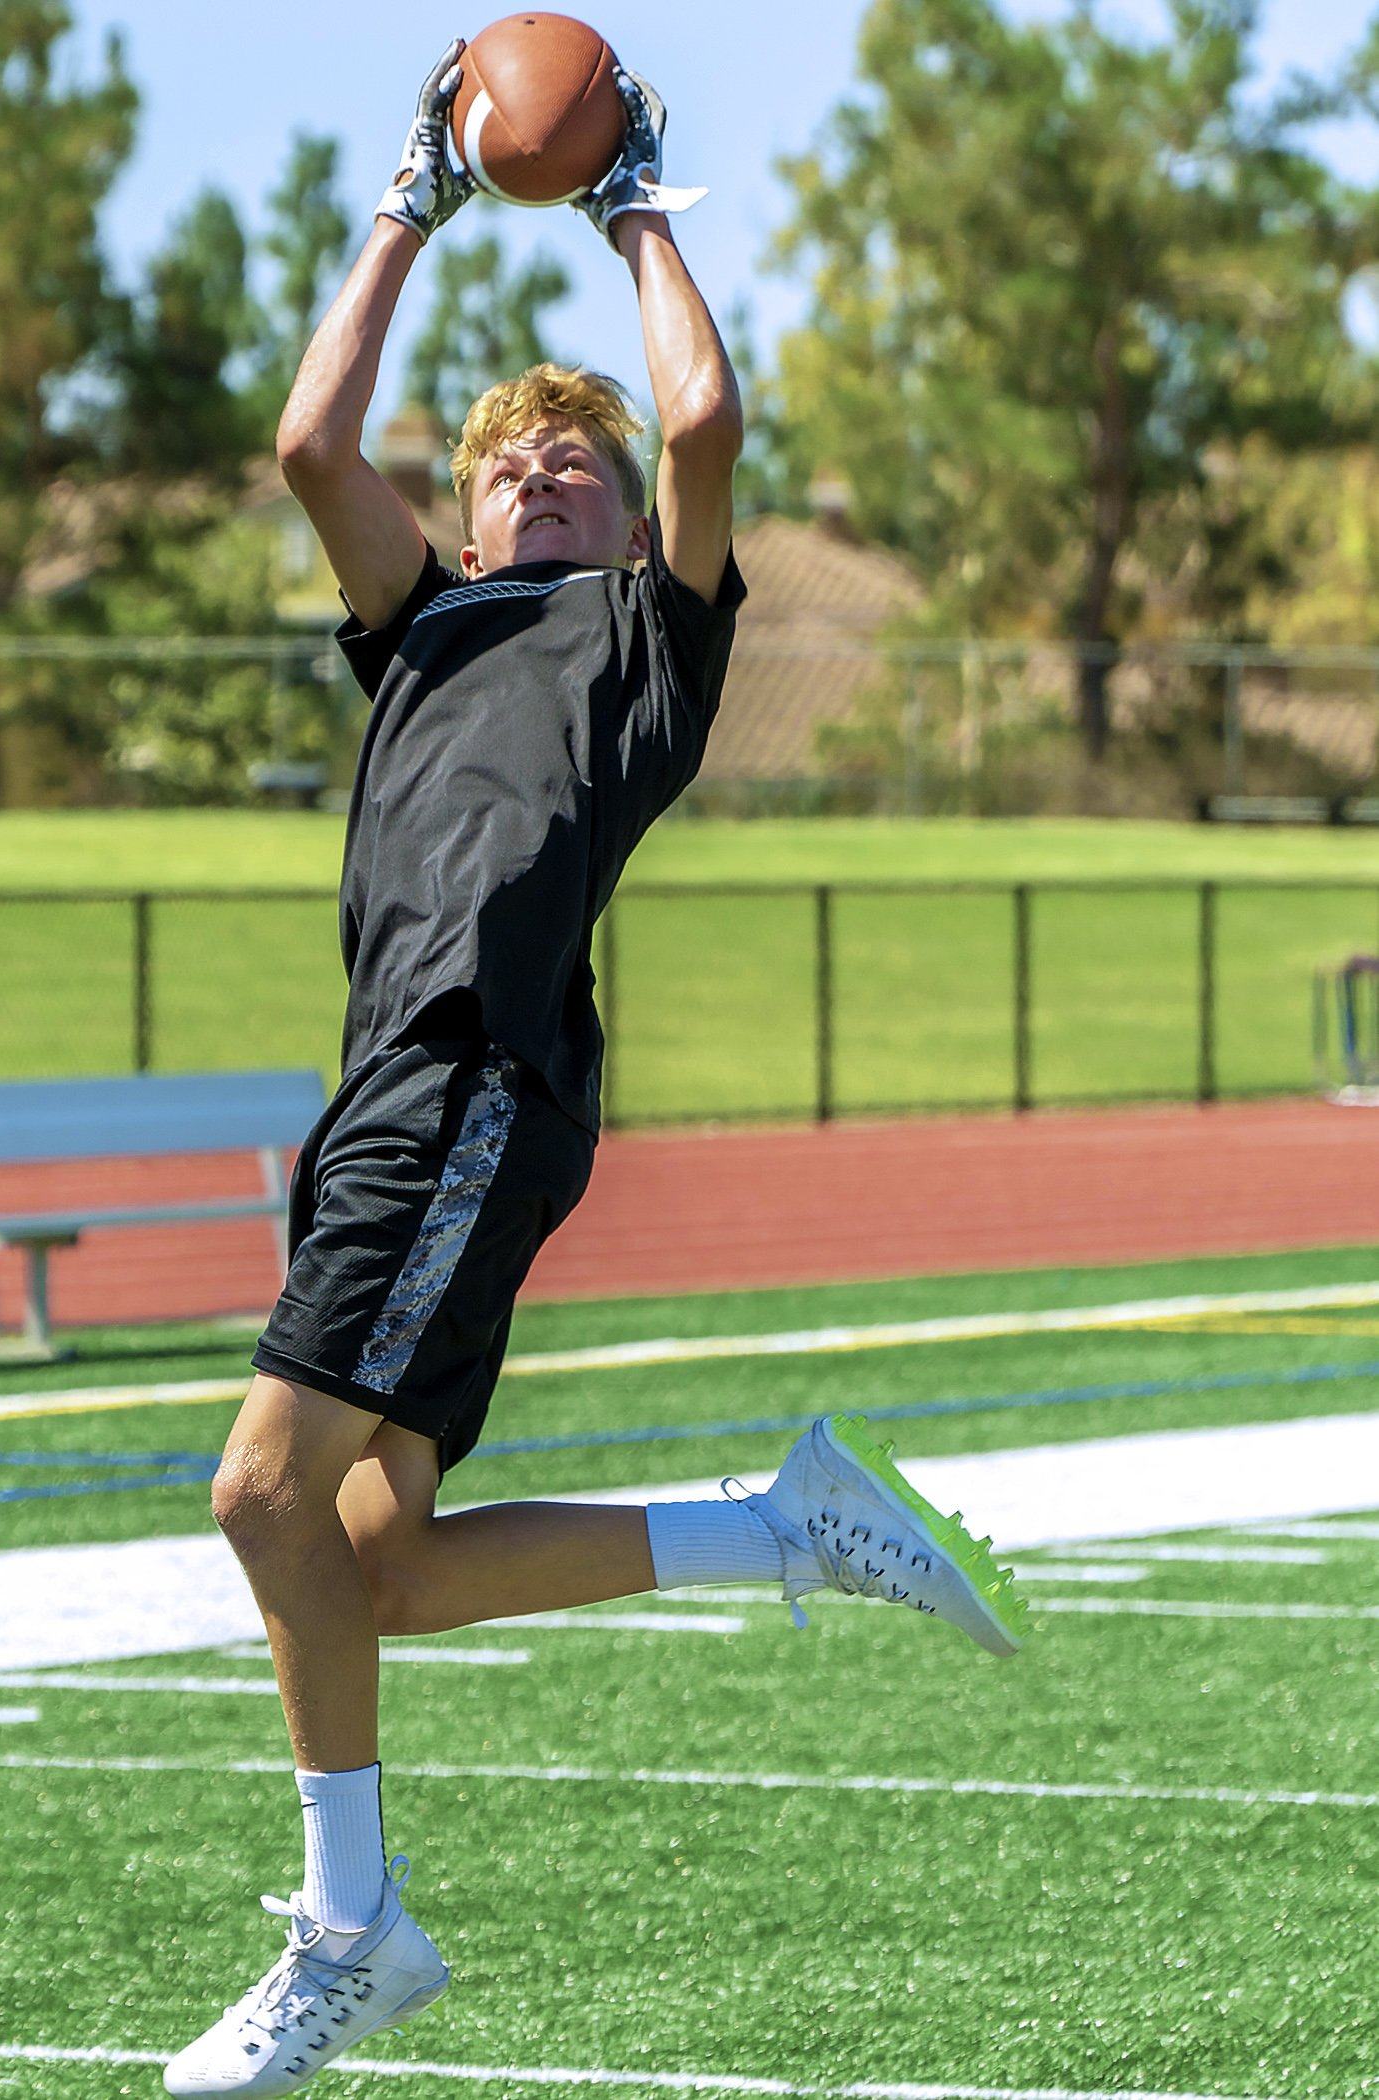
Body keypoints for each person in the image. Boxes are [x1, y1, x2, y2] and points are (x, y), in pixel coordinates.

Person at [162, 44, 1027, 2098]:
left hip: (470, 1076)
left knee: (255, 1493)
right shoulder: (430, 626)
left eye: (580, 471)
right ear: (460, 516)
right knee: (379, 1558)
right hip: (387, 1096)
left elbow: (709, 409)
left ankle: (348, 1927)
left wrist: (633, 194)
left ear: (632, 521)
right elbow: (306, 436)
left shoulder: (642, 644)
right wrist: (413, 195)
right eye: (506, 473)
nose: (541, 483)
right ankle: (782, 1524)